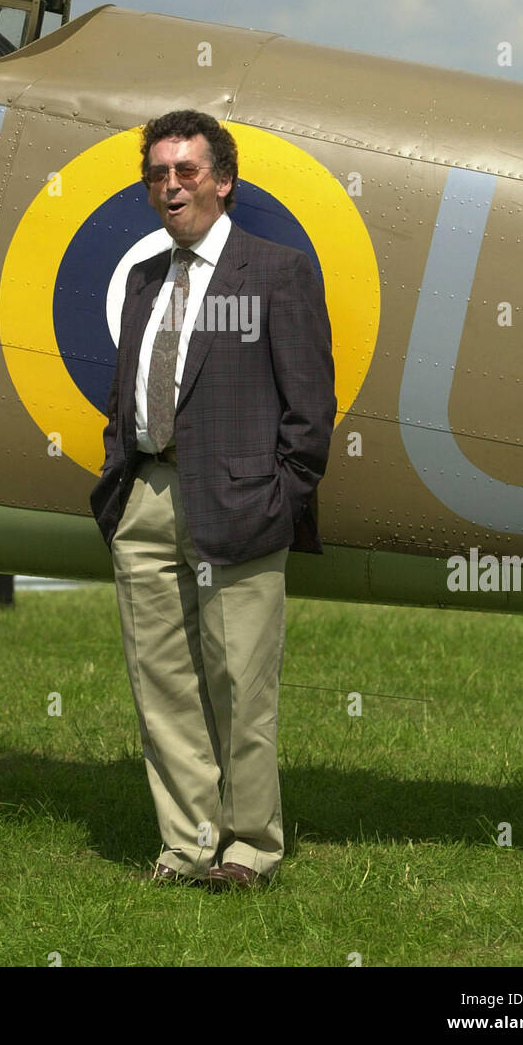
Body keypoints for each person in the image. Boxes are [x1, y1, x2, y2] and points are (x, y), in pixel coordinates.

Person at [91, 110, 336, 888]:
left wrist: (281, 497)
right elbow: (126, 392)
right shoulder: (141, 279)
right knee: (161, 685)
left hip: (241, 509)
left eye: (186, 171)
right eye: (158, 173)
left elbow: (310, 412)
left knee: (241, 689)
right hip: (148, 500)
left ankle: (249, 850)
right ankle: (187, 845)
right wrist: (121, 486)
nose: (170, 186)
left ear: (223, 182)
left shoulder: (277, 272)